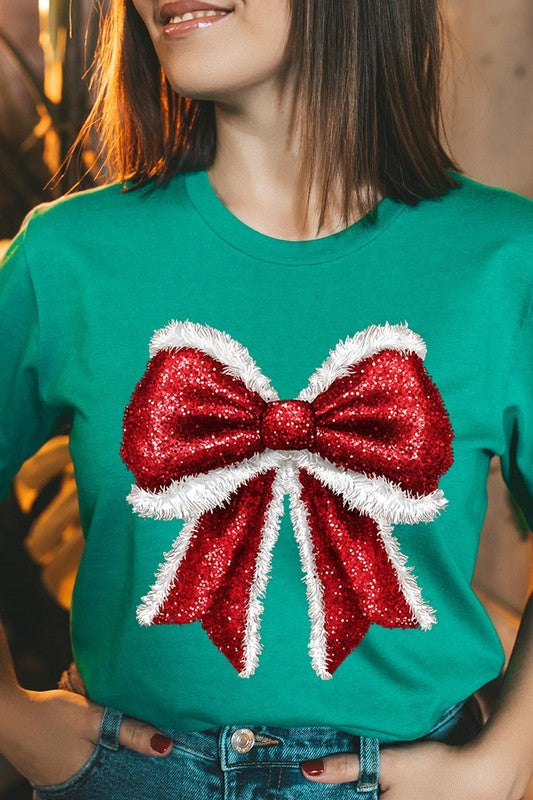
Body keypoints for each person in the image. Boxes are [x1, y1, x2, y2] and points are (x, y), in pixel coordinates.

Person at [0, 0, 532, 798]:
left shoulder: (503, 259)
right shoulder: (65, 256)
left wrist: (503, 763)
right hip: (125, 773)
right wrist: (8, 717)